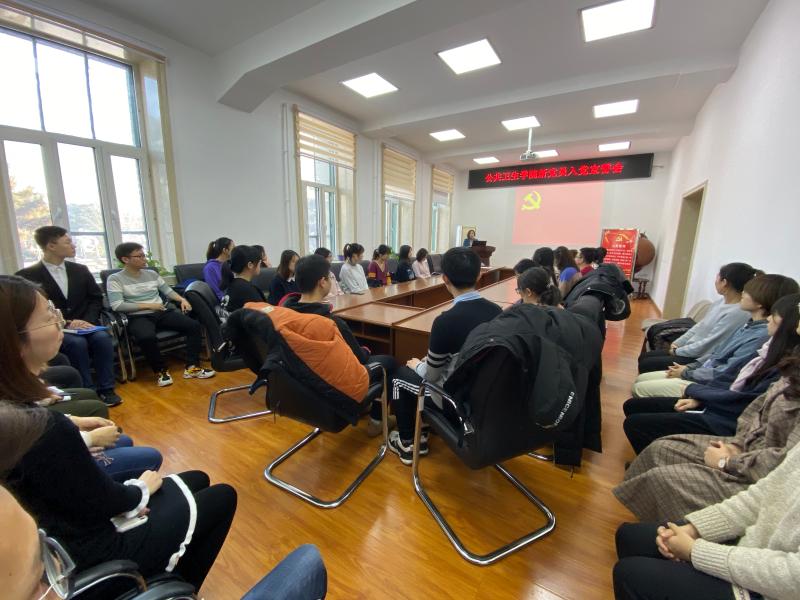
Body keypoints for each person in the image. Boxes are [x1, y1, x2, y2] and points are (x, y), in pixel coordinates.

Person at [614, 343, 800, 522]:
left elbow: (785, 462)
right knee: (660, 449)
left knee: (663, 478)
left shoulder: (779, 355)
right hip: (743, 445)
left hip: (760, 476)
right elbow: (753, 410)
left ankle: (667, 531)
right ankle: (650, 517)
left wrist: (727, 461)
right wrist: (738, 444)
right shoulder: (791, 363)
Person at [1, 275, 162, 480]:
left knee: (124, 440)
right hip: (57, 477)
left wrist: (74, 422)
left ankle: (105, 388)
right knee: (150, 457)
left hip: (52, 452)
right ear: (13, 338)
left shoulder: (16, 393)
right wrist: (142, 489)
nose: (58, 322)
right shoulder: (20, 418)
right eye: (49, 317)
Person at [613, 441, 800, 600]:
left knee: (630, 575)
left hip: (775, 588)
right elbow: (764, 493)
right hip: (756, 551)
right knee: (630, 537)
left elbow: (792, 578)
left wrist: (694, 551)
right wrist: (695, 529)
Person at [622, 293, 800, 454]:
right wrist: (695, 385)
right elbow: (721, 362)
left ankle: (657, 457)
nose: (768, 319)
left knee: (637, 417)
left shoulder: (774, 357)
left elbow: (739, 395)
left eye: (774, 317)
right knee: (635, 403)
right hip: (711, 396)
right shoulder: (763, 343)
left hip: (722, 415)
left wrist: (692, 383)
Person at [388, 248, 503, 464]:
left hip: (453, 401)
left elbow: (431, 377)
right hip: (483, 397)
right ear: (479, 275)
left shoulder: (445, 322)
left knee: (399, 377)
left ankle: (408, 443)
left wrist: (417, 365)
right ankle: (422, 427)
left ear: (445, 279)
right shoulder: (496, 312)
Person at [283, 254, 397, 437]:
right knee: (390, 362)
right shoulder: (332, 323)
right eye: (329, 277)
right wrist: (366, 349)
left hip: (301, 387)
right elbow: (360, 358)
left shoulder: (285, 315)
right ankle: (377, 421)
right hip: (334, 387)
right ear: (322, 282)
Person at [632, 274, 798, 398]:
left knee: (641, 384)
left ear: (761, 301)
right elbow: (716, 350)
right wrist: (690, 366)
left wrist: (687, 372)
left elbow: (725, 371)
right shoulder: (748, 323)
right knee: (643, 377)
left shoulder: (758, 335)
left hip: (709, 382)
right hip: (702, 371)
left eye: (748, 292)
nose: (743, 294)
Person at [16, 226, 121, 406]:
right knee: (76, 344)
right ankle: (87, 390)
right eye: (68, 242)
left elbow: (95, 298)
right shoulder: (27, 276)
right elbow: (32, 310)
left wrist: (86, 320)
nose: (73, 245)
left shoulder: (80, 269)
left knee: (102, 339)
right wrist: (66, 322)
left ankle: (107, 388)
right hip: (57, 327)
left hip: (86, 323)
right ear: (51, 246)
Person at [107, 242, 215, 387]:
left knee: (193, 326)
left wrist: (182, 299)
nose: (144, 259)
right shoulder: (115, 279)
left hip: (161, 312)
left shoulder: (151, 274)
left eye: (144, 255)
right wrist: (148, 305)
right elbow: (117, 305)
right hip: (138, 316)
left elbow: (168, 291)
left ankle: (192, 367)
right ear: (125, 259)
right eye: (139, 256)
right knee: (146, 337)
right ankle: (161, 371)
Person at [638, 263, 758, 374]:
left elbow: (710, 344)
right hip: (689, 350)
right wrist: (678, 343)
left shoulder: (737, 313)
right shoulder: (720, 302)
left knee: (647, 363)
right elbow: (700, 326)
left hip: (700, 358)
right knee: (644, 357)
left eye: (717, 277)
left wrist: (677, 351)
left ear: (724, 282)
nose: (715, 281)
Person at [222, 245, 267, 313]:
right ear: (250, 265)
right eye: (259, 263)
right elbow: (264, 313)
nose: (260, 266)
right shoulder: (246, 290)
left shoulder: (234, 284)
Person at [203, 237, 235, 301]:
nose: (235, 251)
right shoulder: (209, 268)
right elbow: (216, 292)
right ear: (225, 250)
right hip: (224, 302)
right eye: (233, 248)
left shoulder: (230, 264)